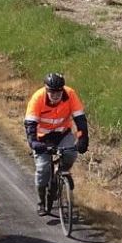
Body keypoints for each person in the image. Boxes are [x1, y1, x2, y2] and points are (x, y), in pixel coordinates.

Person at [23, 73, 89, 214]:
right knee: (42, 170)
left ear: (62, 90)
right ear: (46, 90)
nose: (55, 95)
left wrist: (82, 138)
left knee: (71, 154)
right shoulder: (37, 98)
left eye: (58, 91)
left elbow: (80, 120)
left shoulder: (70, 94)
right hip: (42, 138)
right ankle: (41, 201)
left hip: (62, 134)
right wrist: (34, 142)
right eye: (52, 92)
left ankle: (61, 174)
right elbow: (30, 125)